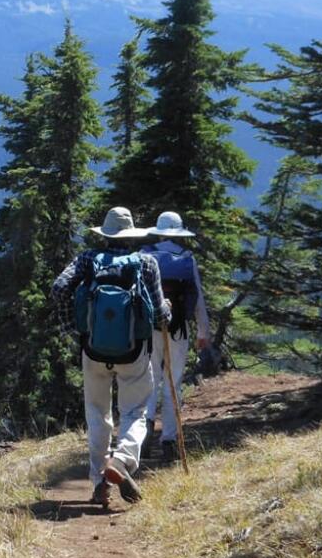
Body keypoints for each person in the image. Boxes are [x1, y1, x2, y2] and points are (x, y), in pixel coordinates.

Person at [51, 207, 171, 507]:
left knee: (97, 414)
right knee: (137, 411)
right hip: (134, 353)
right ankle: (122, 460)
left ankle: (98, 483)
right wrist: (167, 308)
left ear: (104, 234)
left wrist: (73, 329)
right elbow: (158, 315)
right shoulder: (146, 263)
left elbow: (58, 288)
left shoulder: (87, 260)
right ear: (130, 235)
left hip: (93, 350)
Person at [142, 211, 210, 464]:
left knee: (149, 379)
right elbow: (198, 298)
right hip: (178, 327)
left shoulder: (144, 255)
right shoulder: (186, 258)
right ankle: (169, 440)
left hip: (149, 328)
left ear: (158, 231)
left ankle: (145, 431)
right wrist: (203, 332)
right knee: (173, 382)